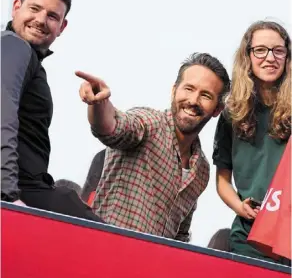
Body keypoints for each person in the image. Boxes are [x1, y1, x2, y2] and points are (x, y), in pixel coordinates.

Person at [76, 52, 230, 241]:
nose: (193, 100)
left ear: (217, 109)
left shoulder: (201, 171)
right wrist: (99, 103)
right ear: (174, 91)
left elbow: (180, 236)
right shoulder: (149, 124)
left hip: (153, 267)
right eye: (188, 89)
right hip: (106, 251)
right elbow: (112, 128)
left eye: (205, 95)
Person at [1, 0, 103, 223]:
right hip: (20, 188)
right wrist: (7, 196)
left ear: (62, 26)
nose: (40, 20)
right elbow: (2, 112)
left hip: (27, 186)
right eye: (34, 9)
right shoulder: (14, 46)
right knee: (115, 243)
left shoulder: (28, 58)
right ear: (17, 7)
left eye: (52, 16)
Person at [213, 20, 291, 264]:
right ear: (247, 55)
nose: (270, 58)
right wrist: (239, 206)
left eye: (278, 50)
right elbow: (223, 178)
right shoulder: (231, 114)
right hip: (250, 234)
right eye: (261, 50)